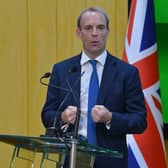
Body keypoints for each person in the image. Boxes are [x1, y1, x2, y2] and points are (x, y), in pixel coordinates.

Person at [41, 7, 147, 168]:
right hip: (72, 159)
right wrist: (62, 117)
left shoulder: (127, 73)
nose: (95, 33)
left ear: (108, 31)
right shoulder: (62, 70)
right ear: (79, 33)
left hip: (111, 161)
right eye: (88, 28)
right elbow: (47, 114)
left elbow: (139, 121)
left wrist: (110, 117)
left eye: (100, 27)